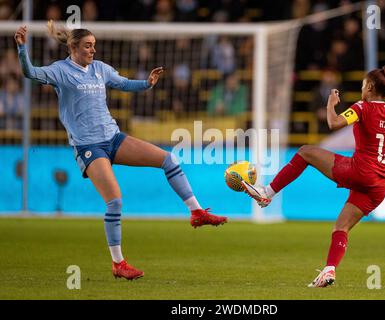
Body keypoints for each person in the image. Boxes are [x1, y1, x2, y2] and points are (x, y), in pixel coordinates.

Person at [14, 22, 227, 281]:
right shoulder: (61, 71)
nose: (93, 50)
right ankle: (119, 263)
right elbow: (30, 73)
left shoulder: (100, 69)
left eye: (94, 45)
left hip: (113, 138)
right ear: (73, 47)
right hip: (88, 146)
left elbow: (124, 84)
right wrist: (22, 49)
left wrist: (146, 84)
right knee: (114, 200)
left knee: (169, 159)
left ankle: (197, 212)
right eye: (87, 46)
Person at [241, 66, 385, 288]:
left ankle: (267, 193)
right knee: (340, 228)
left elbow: (333, 124)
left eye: (363, 84)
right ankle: (329, 270)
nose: (362, 88)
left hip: (360, 171)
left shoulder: (362, 107)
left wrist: (330, 105)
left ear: (370, 87)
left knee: (305, 151)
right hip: (379, 186)